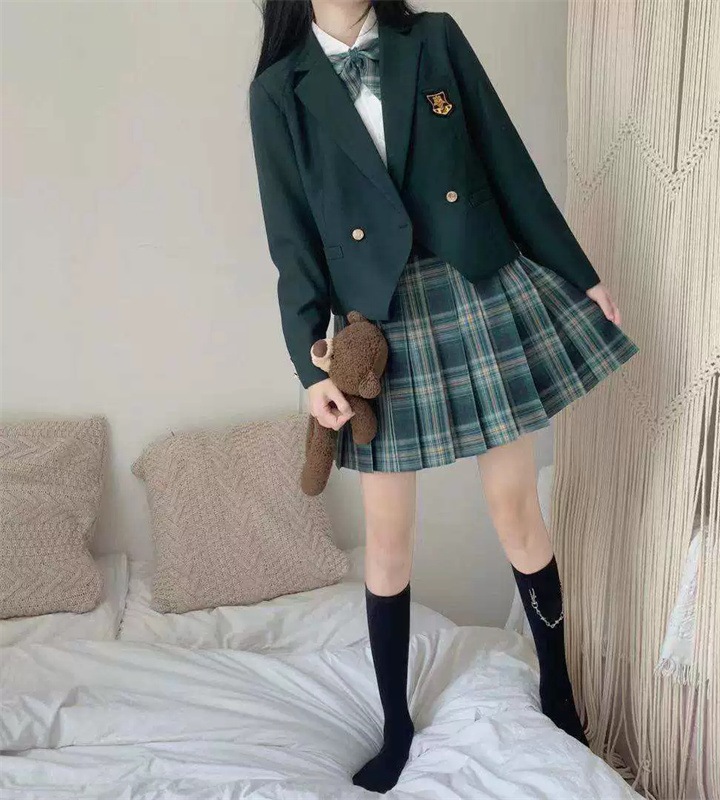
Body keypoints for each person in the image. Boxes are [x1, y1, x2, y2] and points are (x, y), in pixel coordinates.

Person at [248, 0, 639, 792]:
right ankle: (396, 727)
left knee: (517, 511)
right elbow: (291, 241)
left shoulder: (433, 38)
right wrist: (309, 368)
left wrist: (581, 271)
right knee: (389, 542)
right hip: (377, 324)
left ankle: (561, 698)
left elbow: (507, 162)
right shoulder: (277, 90)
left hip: (475, 288)